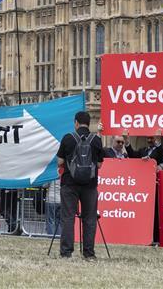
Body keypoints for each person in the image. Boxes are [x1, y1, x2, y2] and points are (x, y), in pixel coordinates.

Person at [56, 111, 104, 260]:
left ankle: (66, 252)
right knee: (89, 218)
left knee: (68, 218)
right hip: (90, 185)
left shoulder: (68, 138)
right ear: (89, 123)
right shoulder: (96, 140)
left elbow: (59, 162)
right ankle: (89, 253)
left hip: (70, 184)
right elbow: (99, 164)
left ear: (76, 122)